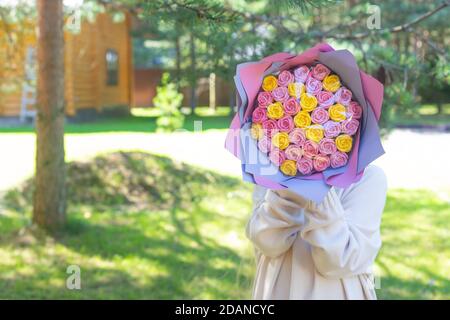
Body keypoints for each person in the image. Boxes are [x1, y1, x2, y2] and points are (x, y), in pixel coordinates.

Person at [246, 165, 387, 300]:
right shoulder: (269, 169)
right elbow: (266, 243)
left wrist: (318, 187)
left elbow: (338, 261)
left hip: (334, 292)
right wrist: (287, 182)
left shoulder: (368, 176)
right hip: (279, 288)